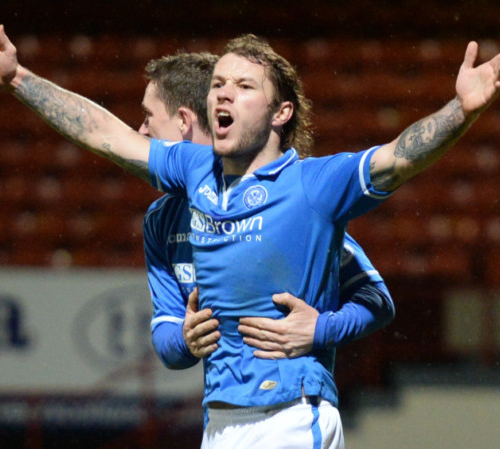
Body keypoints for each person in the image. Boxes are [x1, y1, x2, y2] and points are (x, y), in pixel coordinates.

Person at [0, 16, 500, 448]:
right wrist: (18, 78)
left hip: (293, 415)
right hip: (220, 424)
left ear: (281, 112)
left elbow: (396, 159)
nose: (222, 93)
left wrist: (460, 112)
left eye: (242, 86)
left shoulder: (312, 188)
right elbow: (105, 135)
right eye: (218, 83)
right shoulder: (191, 179)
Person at [139, 52, 394, 372]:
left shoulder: (288, 200)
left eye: (148, 117)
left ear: (184, 121)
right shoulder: (161, 219)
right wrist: (185, 340)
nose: (142, 132)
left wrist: (321, 330)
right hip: (221, 407)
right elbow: (166, 337)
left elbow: (377, 300)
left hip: (294, 402)